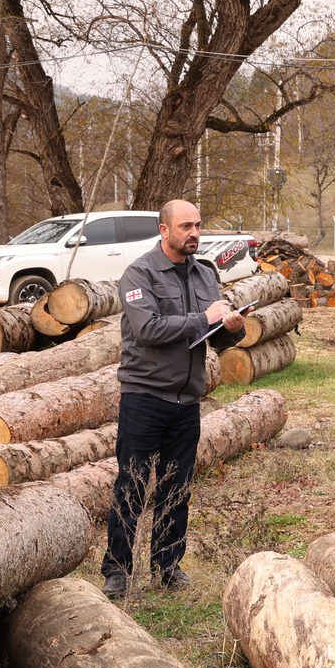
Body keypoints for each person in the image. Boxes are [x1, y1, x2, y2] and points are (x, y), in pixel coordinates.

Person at [101, 198, 245, 599]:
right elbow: (148, 329)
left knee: (176, 487)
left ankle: (167, 566)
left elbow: (211, 335)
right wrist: (206, 318)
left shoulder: (204, 274)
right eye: (185, 226)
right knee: (131, 485)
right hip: (145, 396)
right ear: (164, 230)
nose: (194, 233)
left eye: (198, 225)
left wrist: (232, 327)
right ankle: (117, 571)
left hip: (187, 400)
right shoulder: (140, 274)